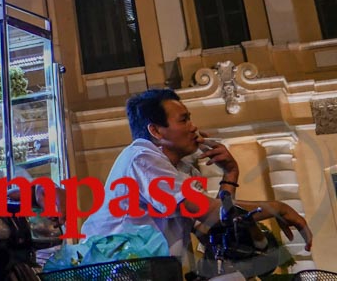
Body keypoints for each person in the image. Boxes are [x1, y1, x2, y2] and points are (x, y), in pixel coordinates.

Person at [81, 89, 313, 273]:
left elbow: (213, 223)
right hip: (118, 270)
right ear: (156, 131)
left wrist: (230, 174)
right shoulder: (142, 157)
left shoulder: (183, 170)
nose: (194, 128)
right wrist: (277, 207)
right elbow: (205, 210)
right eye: (184, 121)